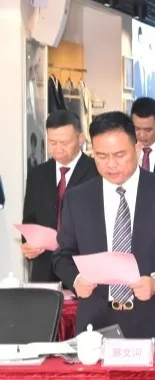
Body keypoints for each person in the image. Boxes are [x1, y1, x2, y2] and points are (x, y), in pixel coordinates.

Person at [53, 112, 155, 345]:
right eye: (101, 156)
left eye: (119, 155)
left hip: (154, 322)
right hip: (95, 326)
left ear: (137, 148)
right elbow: (62, 255)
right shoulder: (77, 198)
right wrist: (76, 279)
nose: (111, 164)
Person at [22, 111, 99, 285]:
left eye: (64, 142)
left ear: (80, 139)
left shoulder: (96, 172)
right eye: (52, 142)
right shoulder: (38, 174)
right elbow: (30, 219)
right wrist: (29, 244)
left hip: (82, 270)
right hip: (44, 269)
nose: (58, 148)